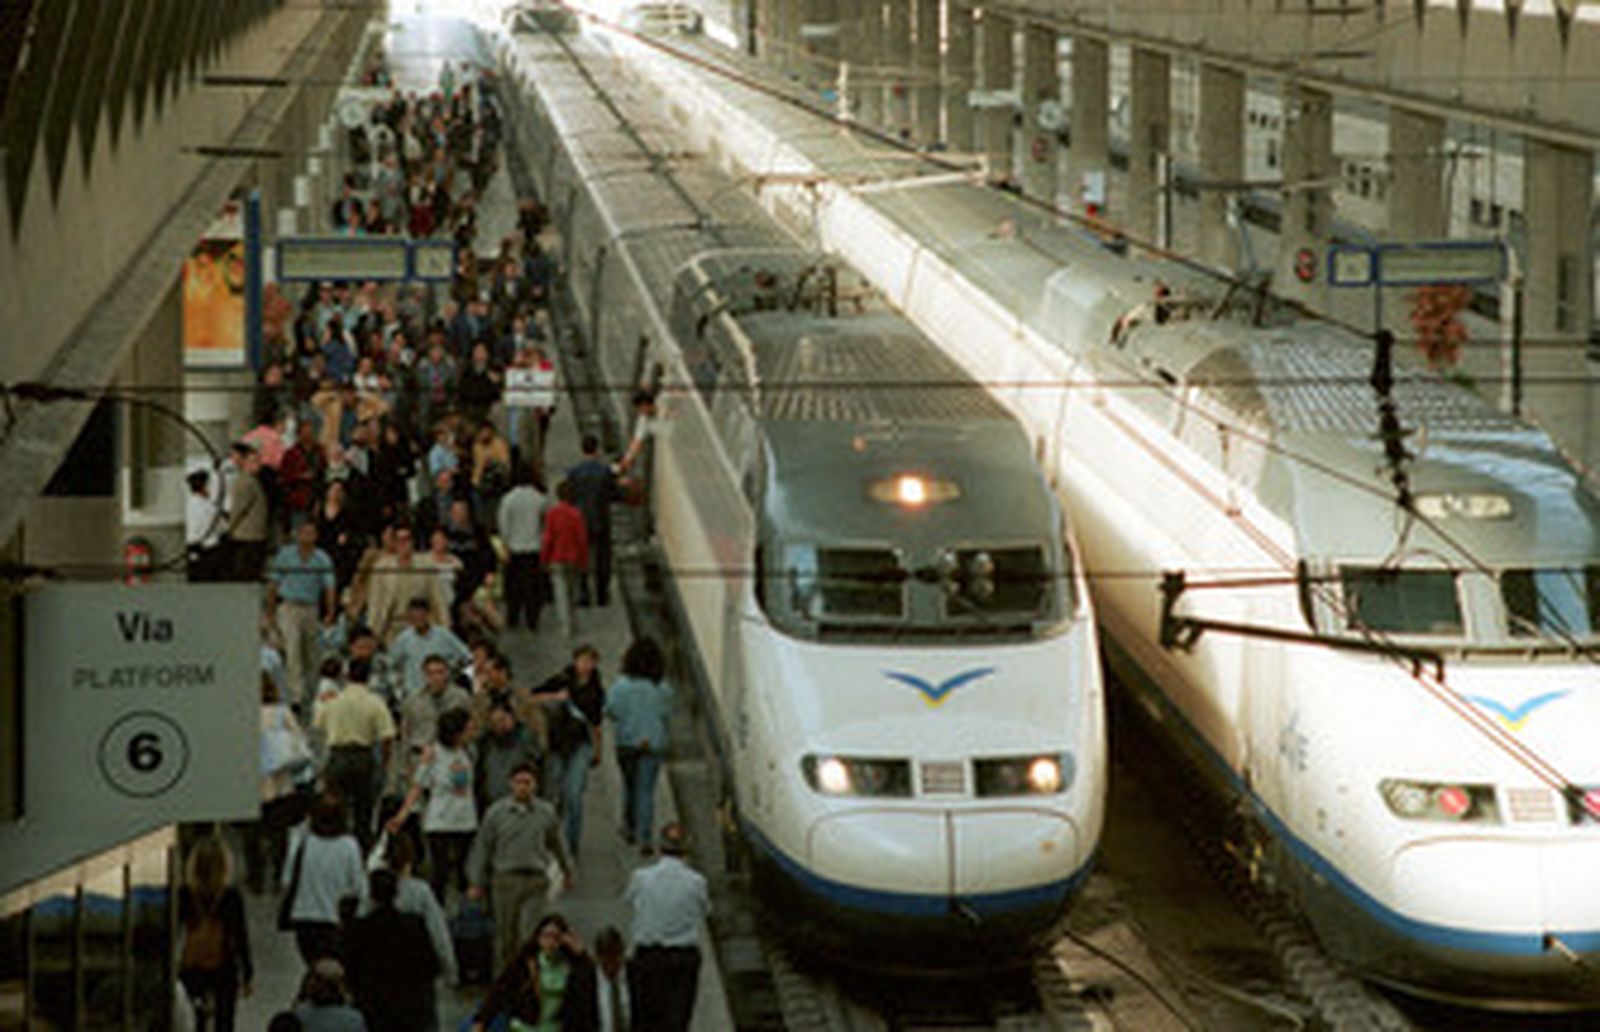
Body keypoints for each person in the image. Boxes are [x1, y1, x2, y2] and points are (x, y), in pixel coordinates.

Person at [466, 762, 576, 971]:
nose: (523, 787)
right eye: (518, 782)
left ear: (535, 785)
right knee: (506, 936)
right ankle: (507, 976)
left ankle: (530, 976)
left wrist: (567, 870)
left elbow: (558, 844)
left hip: (535, 880)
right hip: (504, 881)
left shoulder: (546, 812)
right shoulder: (496, 813)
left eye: (527, 782)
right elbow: (483, 848)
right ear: (510, 784)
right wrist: (475, 882)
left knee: (531, 932)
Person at [387, 708, 478, 904]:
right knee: (440, 873)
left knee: (465, 872)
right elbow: (418, 786)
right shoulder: (434, 753)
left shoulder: (468, 752)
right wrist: (402, 814)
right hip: (440, 821)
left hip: (466, 820)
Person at [624, 823, 708, 1032]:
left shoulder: (641, 878)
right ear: (686, 851)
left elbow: (629, 900)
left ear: (660, 849)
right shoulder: (696, 882)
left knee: (644, 1020)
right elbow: (705, 909)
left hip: (648, 957)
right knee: (677, 1020)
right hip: (682, 960)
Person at [313, 657, 396, 851]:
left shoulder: (333, 702)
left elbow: (318, 725)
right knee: (363, 810)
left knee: (335, 807)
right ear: (368, 678)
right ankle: (361, 850)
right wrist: (384, 762)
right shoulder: (375, 702)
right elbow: (387, 736)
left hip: (337, 755)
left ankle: (336, 848)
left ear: (347, 676)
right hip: (363, 757)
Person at [345, 869, 441, 1032]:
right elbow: (431, 966)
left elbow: (350, 970)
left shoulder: (359, 930)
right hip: (411, 1011)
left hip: (374, 1012)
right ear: (396, 893)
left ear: (371, 895)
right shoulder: (414, 926)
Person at [244, 674, 313, 894]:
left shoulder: (240, 713)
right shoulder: (282, 713)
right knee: (278, 832)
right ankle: (277, 875)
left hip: (251, 784)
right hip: (281, 782)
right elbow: (300, 742)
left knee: (251, 833)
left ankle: (255, 877)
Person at [472, 913, 598, 1032]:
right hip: (524, 1028)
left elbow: (587, 992)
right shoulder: (525, 962)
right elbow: (500, 991)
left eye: (556, 937)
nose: (550, 942)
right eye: (546, 936)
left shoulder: (570, 967)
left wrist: (582, 956)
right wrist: (482, 1020)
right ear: (538, 937)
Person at [533, 644, 605, 852]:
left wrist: (598, 751)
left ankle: (571, 842)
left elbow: (596, 723)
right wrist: (555, 698)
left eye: (590, 661)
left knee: (574, 794)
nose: (586, 666)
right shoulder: (561, 680)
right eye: (583, 660)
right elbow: (531, 697)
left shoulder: (596, 691)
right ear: (575, 661)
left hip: (580, 744)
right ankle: (551, 838)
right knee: (554, 793)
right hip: (556, 743)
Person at [362, 834, 458, 988]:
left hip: (378, 970)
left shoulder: (371, 890)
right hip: (414, 970)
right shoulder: (420, 892)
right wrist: (450, 971)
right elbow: (438, 933)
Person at [282, 793, 366, 968]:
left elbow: (287, 880)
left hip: (304, 920)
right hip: (336, 921)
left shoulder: (302, 841)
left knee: (315, 969)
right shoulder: (349, 846)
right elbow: (358, 887)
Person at [178, 836, 253, 1031]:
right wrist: (248, 973)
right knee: (225, 1021)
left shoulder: (185, 894)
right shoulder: (231, 897)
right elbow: (240, 936)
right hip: (224, 967)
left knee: (195, 1019)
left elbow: (176, 931)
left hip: (192, 966)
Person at [605, 638, 672, 848]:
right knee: (646, 791)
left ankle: (629, 826)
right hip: (652, 744)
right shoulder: (663, 688)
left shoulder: (621, 686)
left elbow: (610, 711)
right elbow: (666, 712)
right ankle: (645, 836)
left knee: (630, 786)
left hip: (626, 743)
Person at [269, 520, 339, 709]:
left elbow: (330, 587)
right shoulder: (285, 555)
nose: (308, 536)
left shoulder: (322, 558)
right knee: (293, 650)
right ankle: (296, 696)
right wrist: (270, 612)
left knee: (312, 653)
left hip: (311, 607)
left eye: (312, 533)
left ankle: (314, 691)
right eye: (304, 532)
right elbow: (273, 585)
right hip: (289, 607)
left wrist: (331, 612)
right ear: (297, 535)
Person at [365, 524, 451, 645]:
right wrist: (372, 635)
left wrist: (445, 630)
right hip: (392, 629)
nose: (404, 544)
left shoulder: (426, 565)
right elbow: (375, 604)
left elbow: (439, 600)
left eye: (407, 539)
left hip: (422, 627)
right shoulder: (382, 568)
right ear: (394, 543)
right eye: (400, 540)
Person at [398, 654, 473, 777]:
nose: (436, 678)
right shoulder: (413, 701)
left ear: (447, 673)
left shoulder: (460, 698)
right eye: (430, 673)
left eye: (440, 672)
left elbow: (470, 729)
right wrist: (404, 767)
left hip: (452, 758)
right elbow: (405, 734)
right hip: (420, 757)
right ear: (424, 675)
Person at [565, 436, 618, 608]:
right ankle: (602, 593)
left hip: (580, 520)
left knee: (581, 557)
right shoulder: (605, 472)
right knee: (603, 556)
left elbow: (570, 497)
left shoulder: (574, 473)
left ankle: (584, 592)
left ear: (582, 449)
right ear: (597, 449)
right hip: (601, 519)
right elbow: (613, 493)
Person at [388, 596, 472, 703]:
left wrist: (451, 668)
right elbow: (391, 666)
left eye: (421, 616)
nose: (418, 619)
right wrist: (399, 692)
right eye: (414, 617)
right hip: (414, 695)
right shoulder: (403, 639)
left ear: (428, 614)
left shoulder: (443, 635)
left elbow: (466, 656)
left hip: (444, 694)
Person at [497, 466, 547, 631]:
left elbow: (503, 524)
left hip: (515, 548)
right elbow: (544, 523)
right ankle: (533, 618)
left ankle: (513, 617)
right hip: (534, 548)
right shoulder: (540, 498)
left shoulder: (508, 499)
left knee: (514, 587)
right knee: (533, 587)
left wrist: (505, 543)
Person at [474, 700, 542, 816]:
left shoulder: (526, 738)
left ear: (512, 718)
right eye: (495, 722)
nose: (500, 726)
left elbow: (539, 764)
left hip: (521, 803)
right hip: (493, 805)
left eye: (502, 720)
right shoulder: (486, 743)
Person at [541, 480, 589, 639]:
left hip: (556, 556)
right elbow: (582, 539)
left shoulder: (552, 514)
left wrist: (544, 558)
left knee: (560, 592)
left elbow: (548, 537)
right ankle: (573, 619)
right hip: (573, 557)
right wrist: (584, 560)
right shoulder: (576, 514)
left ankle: (565, 624)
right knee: (572, 590)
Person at [224, 441, 271, 581]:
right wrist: (230, 529)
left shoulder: (253, 480)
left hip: (255, 535)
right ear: (245, 462)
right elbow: (238, 510)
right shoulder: (244, 482)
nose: (258, 464)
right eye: (253, 461)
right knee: (246, 573)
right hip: (246, 536)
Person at [290, 958, 367, 1031]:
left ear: (332, 988)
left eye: (318, 980)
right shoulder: (300, 1012)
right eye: (311, 978)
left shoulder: (352, 1019)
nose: (311, 983)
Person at [185, 465, 225, 582]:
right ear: (205, 486)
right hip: (210, 551)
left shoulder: (190, 505)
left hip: (193, 550)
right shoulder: (209, 507)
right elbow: (222, 527)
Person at [592, 927, 630, 1032]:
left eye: (615, 957)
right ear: (597, 957)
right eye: (606, 959)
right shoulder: (584, 984)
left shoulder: (638, 979)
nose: (611, 966)